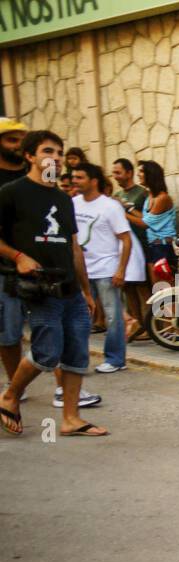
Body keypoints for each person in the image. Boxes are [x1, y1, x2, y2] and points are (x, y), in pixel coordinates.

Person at [0, 130, 107, 438]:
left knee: (76, 353)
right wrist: (18, 256)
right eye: (49, 151)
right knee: (47, 352)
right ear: (30, 156)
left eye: (60, 153)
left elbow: (74, 247)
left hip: (69, 288)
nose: (57, 158)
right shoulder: (12, 192)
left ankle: (71, 418)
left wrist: (87, 291)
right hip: (39, 286)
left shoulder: (63, 198)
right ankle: (10, 395)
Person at [72, 163, 134, 374]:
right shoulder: (73, 204)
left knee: (113, 316)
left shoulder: (110, 206)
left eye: (80, 177)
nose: (74, 181)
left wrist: (121, 270)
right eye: (74, 177)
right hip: (81, 270)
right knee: (79, 317)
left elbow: (126, 240)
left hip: (106, 269)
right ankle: (76, 362)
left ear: (93, 181)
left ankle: (116, 359)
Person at [0, 118, 29, 387]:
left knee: (54, 327)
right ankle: (14, 385)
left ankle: (63, 388)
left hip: (43, 263)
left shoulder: (35, 173)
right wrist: (17, 257)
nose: (18, 145)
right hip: (5, 268)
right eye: (12, 139)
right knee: (9, 334)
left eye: (21, 139)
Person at [109, 158, 151, 341]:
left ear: (129, 173)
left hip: (141, 245)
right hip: (122, 248)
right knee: (128, 287)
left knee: (143, 287)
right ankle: (137, 323)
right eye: (114, 173)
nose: (115, 176)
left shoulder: (142, 194)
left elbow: (146, 220)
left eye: (118, 172)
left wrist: (124, 209)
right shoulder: (117, 194)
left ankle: (152, 326)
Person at [129, 160, 177, 286]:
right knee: (157, 291)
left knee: (166, 291)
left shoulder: (162, 198)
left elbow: (145, 224)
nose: (138, 174)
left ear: (150, 174)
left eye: (141, 171)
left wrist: (121, 214)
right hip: (153, 247)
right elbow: (146, 218)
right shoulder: (150, 197)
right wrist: (128, 208)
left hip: (163, 247)